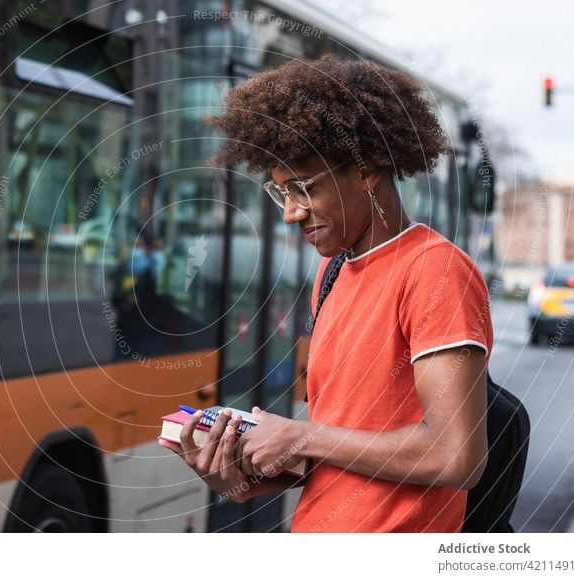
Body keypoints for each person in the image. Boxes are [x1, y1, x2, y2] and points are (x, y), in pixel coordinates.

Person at [158, 54, 493, 532]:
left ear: (367, 169)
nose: (290, 213)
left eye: (302, 189)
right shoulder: (333, 272)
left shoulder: (435, 271)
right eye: (280, 194)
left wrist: (302, 434)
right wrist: (238, 473)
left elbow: (456, 456)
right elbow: (343, 451)